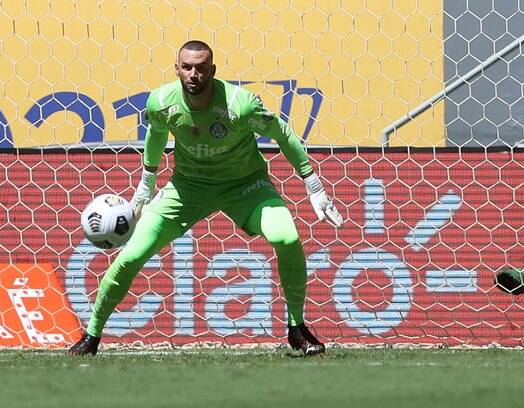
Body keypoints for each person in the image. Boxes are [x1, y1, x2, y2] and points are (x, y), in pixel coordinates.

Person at [69, 40, 344, 356]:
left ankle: (297, 328)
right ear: (177, 70)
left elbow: (282, 134)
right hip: (187, 188)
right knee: (131, 256)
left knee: (287, 237)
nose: (194, 74)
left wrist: (313, 185)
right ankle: (91, 337)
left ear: (212, 70)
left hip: (245, 186)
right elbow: (156, 134)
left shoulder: (241, 104)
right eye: (187, 67)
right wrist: (146, 182)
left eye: (201, 68)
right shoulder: (161, 102)